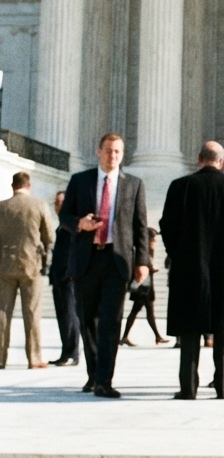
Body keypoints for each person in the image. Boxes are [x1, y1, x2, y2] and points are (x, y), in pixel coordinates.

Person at [160, 141, 224, 400]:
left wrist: (176, 254)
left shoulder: (181, 187)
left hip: (189, 270)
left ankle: (188, 387)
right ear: (222, 163)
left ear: (199, 158)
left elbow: (166, 226)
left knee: (190, 331)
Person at [60, 133, 149, 397]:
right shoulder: (80, 181)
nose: (113, 156)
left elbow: (140, 226)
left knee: (111, 321)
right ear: (99, 152)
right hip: (87, 258)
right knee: (87, 320)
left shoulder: (134, 184)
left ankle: (104, 380)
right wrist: (79, 223)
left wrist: (142, 260)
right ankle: (93, 374)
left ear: (123, 155)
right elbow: (64, 215)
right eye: (108, 151)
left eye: (118, 152)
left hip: (116, 259)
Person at [0, 171, 53, 370]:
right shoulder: (39, 205)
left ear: (12, 186)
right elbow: (48, 236)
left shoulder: (2, 207)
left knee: (2, 312)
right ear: (28, 185)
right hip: (31, 264)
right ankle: (34, 357)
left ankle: (0, 357)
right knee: (31, 312)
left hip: (5, 265)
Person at [119, 228, 168, 346]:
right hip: (143, 286)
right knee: (144, 312)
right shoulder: (143, 251)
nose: (155, 241)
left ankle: (156, 336)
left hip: (147, 285)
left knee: (141, 312)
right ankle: (156, 336)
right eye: (153, 239)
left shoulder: (149, 250)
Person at [47, 190, 80, 366]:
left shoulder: (72, 226)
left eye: (62, 202)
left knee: (70, 315)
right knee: (62, 316)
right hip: (58, 277)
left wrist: (69, 273)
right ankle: (65, 352)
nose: (58, 206)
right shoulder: (60, 226)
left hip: (68, 277)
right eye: (56, 202)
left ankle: (73, 354)